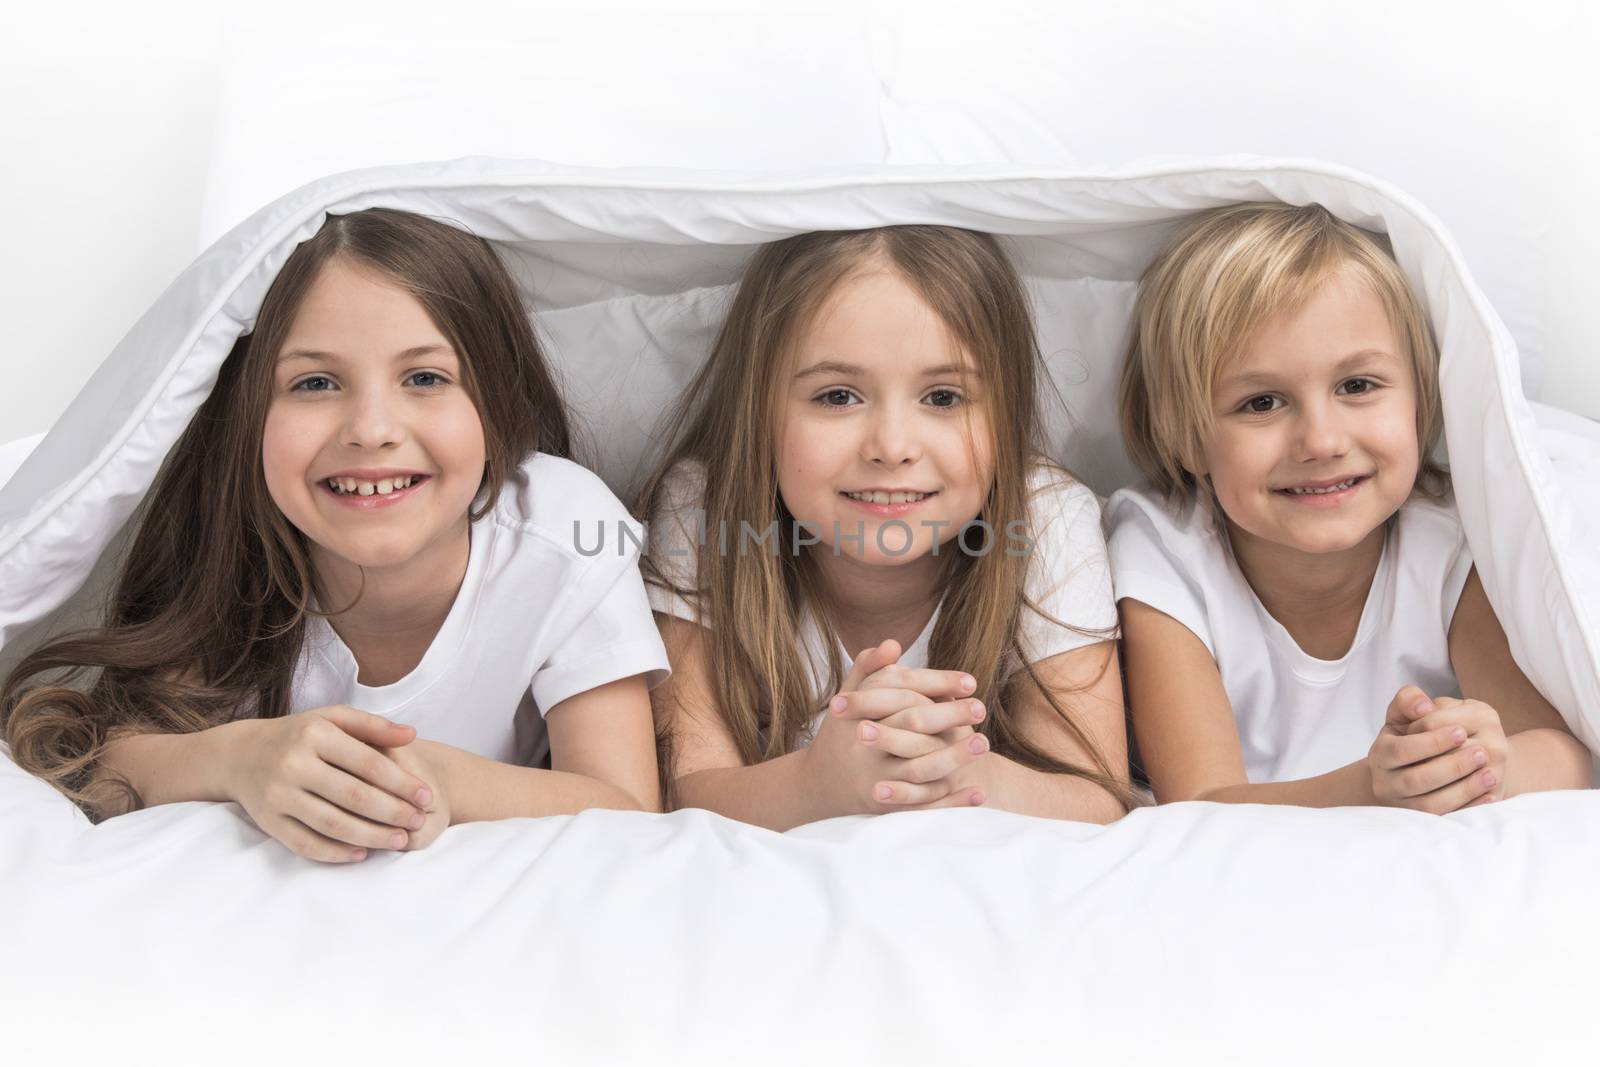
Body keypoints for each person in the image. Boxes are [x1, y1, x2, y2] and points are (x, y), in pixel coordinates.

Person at [2, 208, 669, 861]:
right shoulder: (238, 540)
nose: (371, 429)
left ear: (494, 404)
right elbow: (98, 755)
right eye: (315, 382)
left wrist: (441, 778)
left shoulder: (566, 533)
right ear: (251, 416)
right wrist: (239, 758)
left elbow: (628, 806)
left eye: (425, 378)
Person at [638, 225, 1134, 831]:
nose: (892, 447)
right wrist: (818, 784)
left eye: (945, 398)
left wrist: (961, 771)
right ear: (758, 410)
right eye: (838, 396)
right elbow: (687, 792)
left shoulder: (1047, 516)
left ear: (1005, 411)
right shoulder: (705, 508)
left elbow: (1097, 801)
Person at [1110, 202, 1592, 810]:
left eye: (1357, 386)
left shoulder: (1451, 540)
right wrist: (1372, 786)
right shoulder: (1163, 548)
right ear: (1184, 436)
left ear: (1423, 401)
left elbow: (1570, 757)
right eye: (1261, 403)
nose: (1322, 442)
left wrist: (1486, 762)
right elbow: (1201, 803)